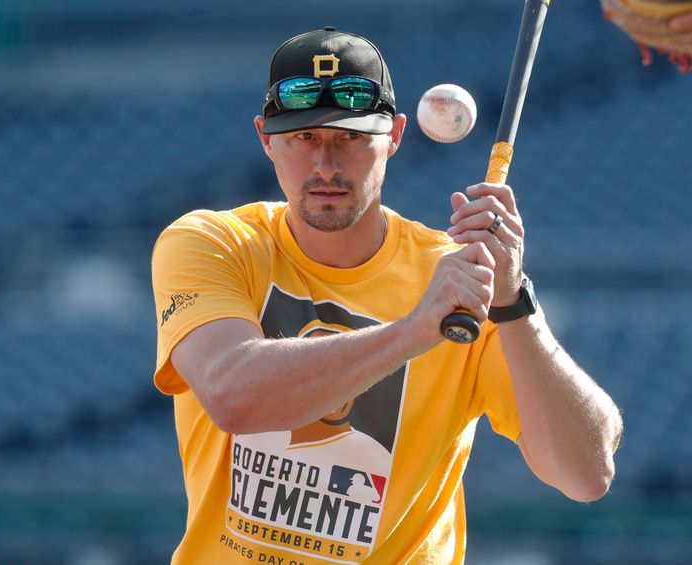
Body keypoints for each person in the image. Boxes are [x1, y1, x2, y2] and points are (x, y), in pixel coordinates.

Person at [151, 27, 623, 564]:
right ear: (265, 138)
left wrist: (514, 303)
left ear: (395, 135)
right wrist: (415, 331)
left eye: (351, 138)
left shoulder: (464, 282)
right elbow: (233, 394)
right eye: (303, 137)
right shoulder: (212, 243)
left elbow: (586, 474)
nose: (325, 164)